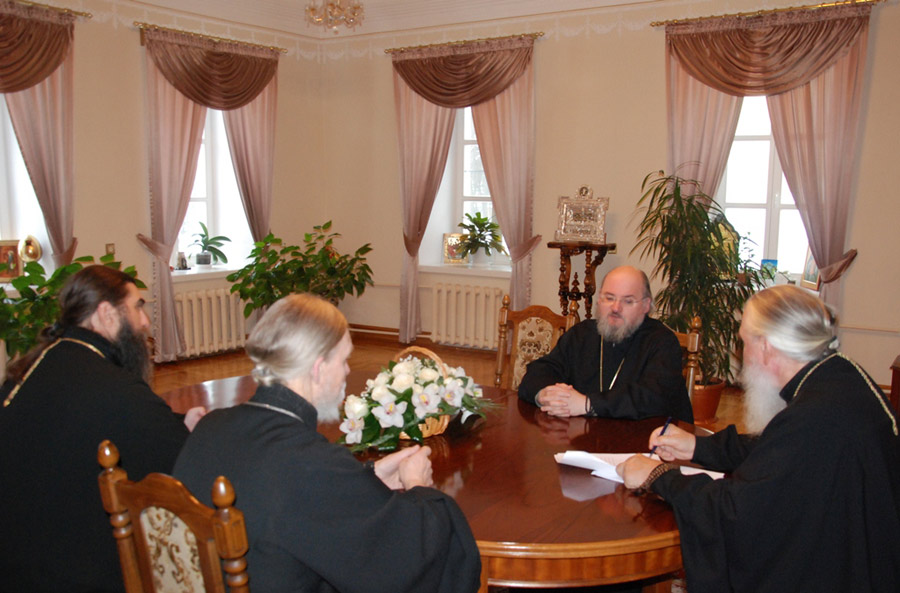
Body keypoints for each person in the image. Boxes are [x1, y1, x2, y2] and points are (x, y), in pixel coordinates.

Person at [173, 293, 482, 593]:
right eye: (344, 360)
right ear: (318, 368)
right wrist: (419, 487)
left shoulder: (210, 427)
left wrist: (368, 476)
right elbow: (402, 559)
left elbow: (281, 496)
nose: (347, 371)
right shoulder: (312, 464)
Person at [617, 284, 900, 592]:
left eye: (743, 342)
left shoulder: (815, 416)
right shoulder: (837, 376)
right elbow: (776, 449)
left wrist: (658, 475)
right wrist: (698, 446)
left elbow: (738, 513)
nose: (743, 355)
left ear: (765, 346)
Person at [0, 265, 205, 593]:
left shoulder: (33, 368)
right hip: (75, 572)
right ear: (107, 314)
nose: (145, 321)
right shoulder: (115, 387)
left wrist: (179, 421)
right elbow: (183, 462)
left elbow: (86, 423)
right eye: (137, 307)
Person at [518, 265, 693, 422]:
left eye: (628, 301)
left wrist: (588, 404)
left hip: (646, 439)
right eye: (609, 298)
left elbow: (652, 397)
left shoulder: (662, 341)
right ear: (599, 300)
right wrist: (546, 394)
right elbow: (541, 370)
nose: (616, 308)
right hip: (584, 437)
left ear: (646, 305)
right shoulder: (581, 334)